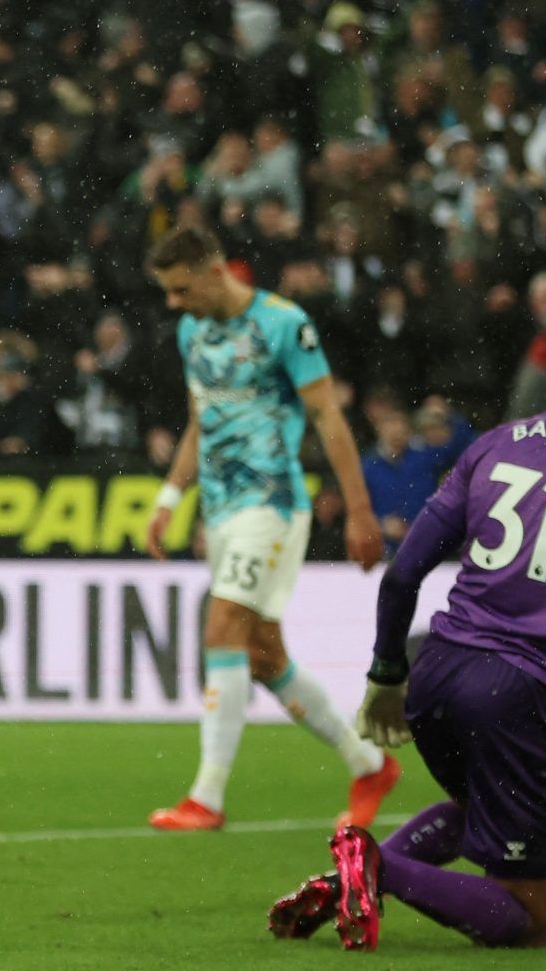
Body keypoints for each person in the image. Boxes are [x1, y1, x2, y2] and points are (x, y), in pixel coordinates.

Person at [275, 323, 546, 950]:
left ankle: (342, 884)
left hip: (436, 673)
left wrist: (387, 673)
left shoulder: (498, 443)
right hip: (520, 697)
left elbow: (403, 573)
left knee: (478, 810)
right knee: (533, 918)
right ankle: (374, 865)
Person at [143, 226, 399, 832]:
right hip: (221, 509)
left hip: (272, 504)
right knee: (263, 656)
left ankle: (207, 797)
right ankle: (369, 765)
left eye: (181, 289)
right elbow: (200, 419)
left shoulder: (285, 324)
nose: (174, 304)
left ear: (214, 272)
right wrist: (171, 496)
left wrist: (359, 510)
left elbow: (328, 416)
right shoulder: (191, 331)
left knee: (222, 627)